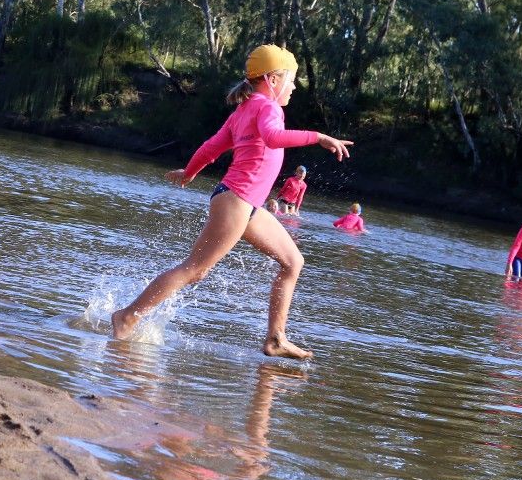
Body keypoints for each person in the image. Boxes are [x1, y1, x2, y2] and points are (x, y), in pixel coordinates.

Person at [110, 44, 353, 360]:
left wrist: (189, 172)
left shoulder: (243, 110)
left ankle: (276, 339)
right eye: (290, 80)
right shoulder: (268, 108)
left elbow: (211, 148)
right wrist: (318, 137)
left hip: (246, 204)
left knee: (293, 262)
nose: (294, 87)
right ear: (272, 79)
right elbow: (273, 137)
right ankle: (127, 316)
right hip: (237, 200)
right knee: (195, 269)